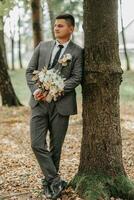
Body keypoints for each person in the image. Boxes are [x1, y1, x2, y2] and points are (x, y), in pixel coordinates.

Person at [26, 14, 83, 199]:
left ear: (71, 29)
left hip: (62, 105)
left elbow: (76, 77)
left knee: (55, 148)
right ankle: (55, 180)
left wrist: (56, 89)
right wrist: (36, 90)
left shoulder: (77, 51)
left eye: (60, 26)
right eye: (55, 26)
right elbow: (29, 71)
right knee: (36, 143)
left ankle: (50, 185)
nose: (56, 28)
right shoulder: (42, 46)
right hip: (39, 103)